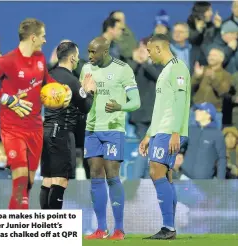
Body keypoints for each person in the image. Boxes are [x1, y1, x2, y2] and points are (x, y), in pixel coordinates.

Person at [0, 18, 71, 209]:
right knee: (19, 180)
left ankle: (13, 229)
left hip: (35, 127)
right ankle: (21, 229)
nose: (45, 40)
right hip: (12, 128)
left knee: (26, 185)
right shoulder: (7, 61)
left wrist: (61, 89)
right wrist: (7, 99)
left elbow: (47, 80)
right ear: (33, 38)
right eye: (43, 36)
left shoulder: (40, 60)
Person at [81, 36, 141, 240]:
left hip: (113, 129)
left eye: (93, 52)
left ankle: (119, 229)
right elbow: (82, 98)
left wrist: (119, 106)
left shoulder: (123, 69)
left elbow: (136, 102)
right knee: (95, 174)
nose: (89, 56)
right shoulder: (86, 69)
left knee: (112, 174)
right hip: (91, 129)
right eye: (88, 51)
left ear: (105, 52)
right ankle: (100, 228)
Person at [139, 34, 191, 240]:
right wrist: (148, 135)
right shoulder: (165, 71)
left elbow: (179, 101)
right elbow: (161, 108)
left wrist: (176, 131)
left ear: (159, 49)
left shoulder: (178, 67)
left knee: (156, 172)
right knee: (164, 176)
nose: (149, 54)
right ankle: (168, 227)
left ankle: (168, 227)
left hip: (170, 131)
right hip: (161, 130)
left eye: (150, 50)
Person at [39, 41, 96, 209]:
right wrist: (89, 91)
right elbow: (86, 107)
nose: (78, 59)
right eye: (77, 56)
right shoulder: (71, 80)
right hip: (63, 133)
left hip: (47, 131)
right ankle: (55, 228)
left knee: (48, 179)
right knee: (61, 180)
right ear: (72, 58)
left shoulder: (49, 75)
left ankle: (45, 228)